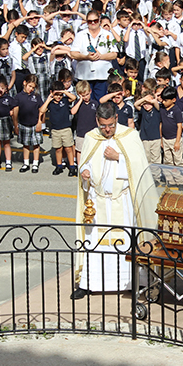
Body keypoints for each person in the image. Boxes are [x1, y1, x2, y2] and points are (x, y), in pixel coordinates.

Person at [72, 101, 156, 300]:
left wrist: (119, 157)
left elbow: (140, 168)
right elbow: (87, 164)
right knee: (96, 242)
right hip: (98, 202)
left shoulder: (130, 136)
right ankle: (89, 282)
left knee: (125, 241)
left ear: (116, 118)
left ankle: (132, 282)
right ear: (97, 121)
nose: (107, 130)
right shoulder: (92, 138)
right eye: (103, 126)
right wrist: (84, 173)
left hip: (123, 200)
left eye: (110, 125)